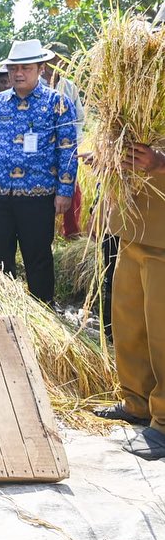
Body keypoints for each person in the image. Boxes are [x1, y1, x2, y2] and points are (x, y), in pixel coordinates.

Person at [0, 39, 78, 304]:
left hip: (38, 196)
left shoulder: (58, 103)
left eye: (25, 68)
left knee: (37, 256)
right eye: (13, 68)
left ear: (41, 68)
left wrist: (64, 191)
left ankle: (43, 312)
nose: (18, 73)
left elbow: (68, 149)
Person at [92, 143, 165, 460]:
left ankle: (163, 421)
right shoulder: (136, 94)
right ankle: (136, 401)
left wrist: (161, 162)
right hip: (132, 224)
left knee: (162, 331)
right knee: (128, 322)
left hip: (162, 234)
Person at [43, 41, 85, 239]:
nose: (57, 64)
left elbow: (79, 119)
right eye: (53, 59)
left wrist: (72, 145)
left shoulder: (69, 87)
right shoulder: (36, 85)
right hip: (43, 149)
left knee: (71, 188)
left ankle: (71, 232)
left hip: (68, 148)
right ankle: (44, 233)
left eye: (61, 60)